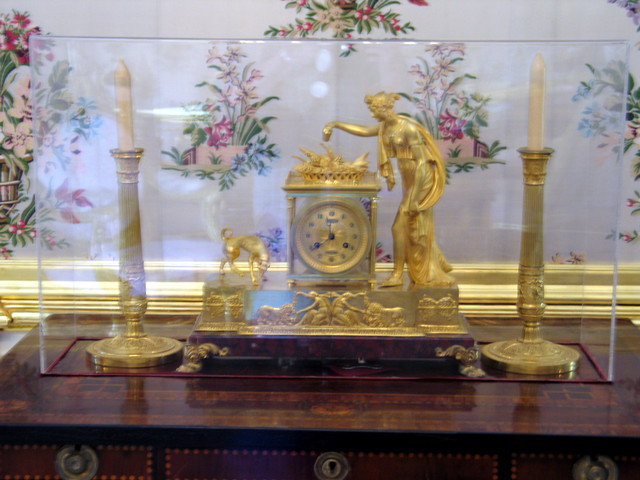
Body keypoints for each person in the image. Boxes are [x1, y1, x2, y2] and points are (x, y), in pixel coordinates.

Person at [322, 91, 453, 287]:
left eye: (374, 110)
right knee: (411, 226)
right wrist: (336, 124)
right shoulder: (386, 127)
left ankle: (402, 273)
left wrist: (414, 198)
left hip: (421, 179)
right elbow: (364, 131)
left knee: (404, 227)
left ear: (384, 109)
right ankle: (412, 270)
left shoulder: (408, 128)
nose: (372, 114)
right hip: (409, 179)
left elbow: (422, 164)